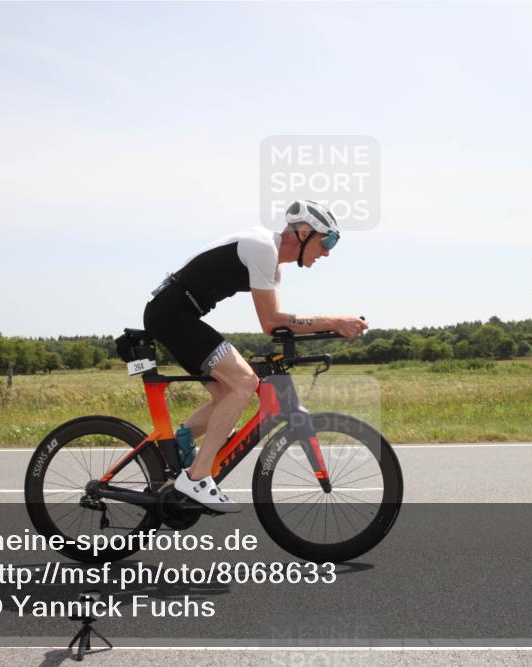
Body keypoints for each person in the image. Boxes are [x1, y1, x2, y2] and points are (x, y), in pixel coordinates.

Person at [143, 200, 368, 512]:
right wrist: (334, 322)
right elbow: (272, 321)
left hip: (178, 315)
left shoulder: (273, 267)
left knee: (227, 395)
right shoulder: (263, 248)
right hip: (173, 314)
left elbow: (276, 327)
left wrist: (327, 332)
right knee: (245, 383)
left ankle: (182, 442)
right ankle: (197, 478)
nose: (327, 252)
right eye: (326, 241)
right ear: (303, 232)